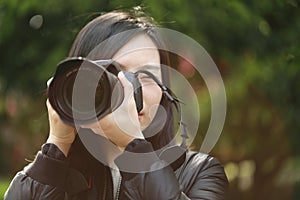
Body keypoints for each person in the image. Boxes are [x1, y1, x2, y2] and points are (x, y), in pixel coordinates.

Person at [4, 10, 228, 199]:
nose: (130, 89)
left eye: (147, 76)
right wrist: (57, 145)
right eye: (114, 73)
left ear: (165, 90)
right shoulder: (59, 177)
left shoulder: (199, 173)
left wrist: (135, 149)